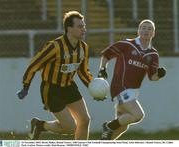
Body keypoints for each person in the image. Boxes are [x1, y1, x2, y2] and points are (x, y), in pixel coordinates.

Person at [17, 11, 93, 140]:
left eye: (84, 26)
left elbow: (83, 71)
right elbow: (34, 64)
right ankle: (40, 125)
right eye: (80, 26)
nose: (84, 29)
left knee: (85, 120)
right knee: (70, 128)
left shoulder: (84, 47)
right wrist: (26, 86)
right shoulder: (55, 46)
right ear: (69, 28)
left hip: (69, 87)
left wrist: (93, 86)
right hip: (52, 89)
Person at [98, 19, 166, 140]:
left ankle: (103, 141)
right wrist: (102, 68)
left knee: (123, 126)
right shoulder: (127, 44)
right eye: (143, 27)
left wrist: (159, 75)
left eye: (149, 29)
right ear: (138, 31)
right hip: (120, 87)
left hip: (133, 93)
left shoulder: (153, 54)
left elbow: (152, 77)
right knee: (138, 115)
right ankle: (108, 125)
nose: (146, 30)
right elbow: (106, 54)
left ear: (153, 33)